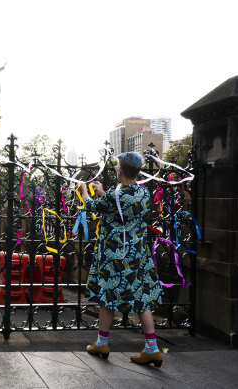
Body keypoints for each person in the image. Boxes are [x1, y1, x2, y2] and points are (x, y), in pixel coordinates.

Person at [78, 152, 164, 368]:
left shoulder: (113, 195)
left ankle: (102, 343)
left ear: (119, 171)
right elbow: (122, 206)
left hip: (115, 254)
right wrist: (104, 193)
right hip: (137, 254)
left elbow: (94, 207)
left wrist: (85, 192)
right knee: (141, 299)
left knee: (108, 297)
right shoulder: (144, 192)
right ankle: (152, 349)